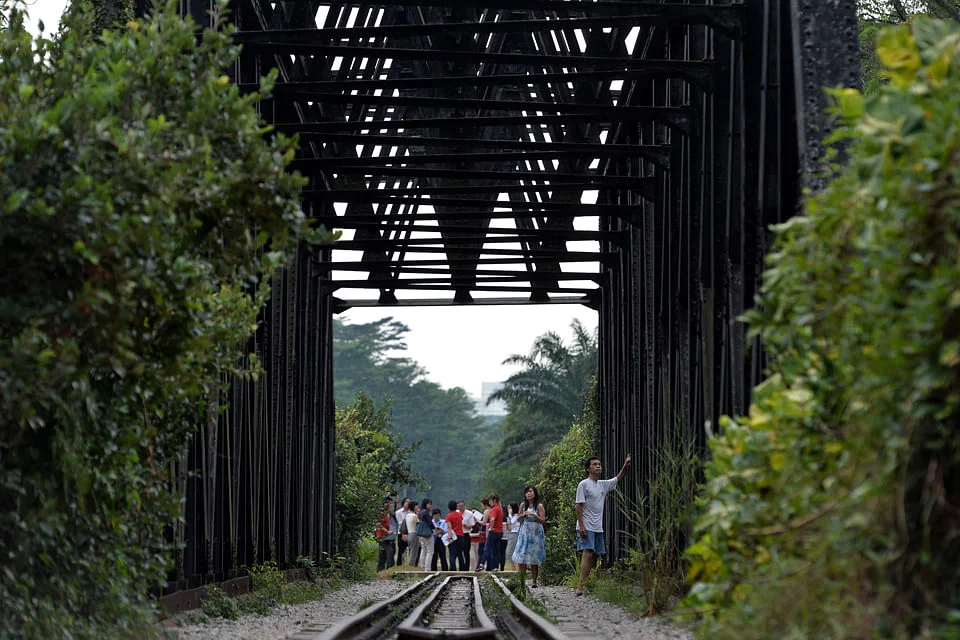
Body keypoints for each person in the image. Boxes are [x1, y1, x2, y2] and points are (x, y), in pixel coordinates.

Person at [575, 454, 632, 595]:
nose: (598, 466)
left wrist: (625, 465)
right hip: (586, 524)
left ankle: (586, 584)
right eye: (594, 464)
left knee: (593, 555)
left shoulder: (603, 485)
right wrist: (581, 526)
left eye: (599, 464)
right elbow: (578, 506)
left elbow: (618, 478)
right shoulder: (583, 484)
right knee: (588, 553)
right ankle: (580, 586)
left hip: (597, 526)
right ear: (588, 469)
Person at [511, 485, 546, 587]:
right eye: (527, 492)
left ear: (535, 493)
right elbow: (518, 519)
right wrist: (524, 514)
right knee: (522, 556)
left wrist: (534, 515)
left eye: (530, 491)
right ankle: (522, 580)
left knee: (534, 558)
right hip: (524, 532)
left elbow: (543, 520)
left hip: (535, 533)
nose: (528, 494)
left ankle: (534, 581)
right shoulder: (523, 505)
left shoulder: (539, 506)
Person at [375, 498, 398, 571]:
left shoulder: (389, 515)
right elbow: (378, 524)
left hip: (388, 537)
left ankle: (382, 570)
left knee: (383, 555)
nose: (391, 507)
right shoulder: (381, 515)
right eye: (390, 506)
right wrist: (387, 531)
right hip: (382, 537)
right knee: (389, 552)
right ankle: (388, 569)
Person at [484, 493, 504, 571]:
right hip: (499, 531)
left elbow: (492, 519)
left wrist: (491, 527)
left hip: (494, 531)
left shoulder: (495, 509)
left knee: (488, 549)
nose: (489, 503)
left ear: (494, 500)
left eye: (490, 501)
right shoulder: (500, 508)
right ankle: (496, 566)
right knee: (496, 550)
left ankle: (488, 566)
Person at [445, 500, 465, 570]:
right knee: (460, 554)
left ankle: (453, 569)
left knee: (452, 554)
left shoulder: (448, 516)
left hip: (453, 536)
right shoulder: (460, 514)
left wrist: (450, 537)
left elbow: (449, 527)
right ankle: (462, 569)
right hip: (461, 535)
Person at [417, 498, 435, 571]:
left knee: (423, 549)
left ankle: (422, 567)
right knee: (430, 551)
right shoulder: (426, 512)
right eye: (429, 504)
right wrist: (434, 528)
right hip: (427, 533)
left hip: (421, 533)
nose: (430, 505)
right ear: (425, 504)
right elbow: (430, 523)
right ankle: (427, 568)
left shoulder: (420, 512)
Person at [504, 503, 520, 571]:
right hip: (510, 534)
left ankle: (515, 568)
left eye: (510, 508)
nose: (508, 509)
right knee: (510, 552)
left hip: (514, 533)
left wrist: (509, 515)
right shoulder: (510, 516)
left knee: (510, 552)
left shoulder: (516, 516)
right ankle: (514, 568)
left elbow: (511, 522)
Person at [395, 496, 411, 565]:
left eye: (409, 502)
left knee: (411, 549)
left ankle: (410, 564)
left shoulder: (411, 512)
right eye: (406, 502)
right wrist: (403, 534)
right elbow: (400, 523)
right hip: (401, 532)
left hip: (410, 532)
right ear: (403, 502)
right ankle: (399, 564)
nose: (408, 503)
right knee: (401, 550)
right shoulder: (398, 512)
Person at [405, 501, 421, 566]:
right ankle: (411, 566)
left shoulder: (407, 515)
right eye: (416, 506)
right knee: (414, 553)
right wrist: (419, 537)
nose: (417, 507)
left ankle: (411, 565)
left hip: (409, 534)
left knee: (411, 551)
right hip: (414, 534)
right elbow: (416, 526)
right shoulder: (414, 516)